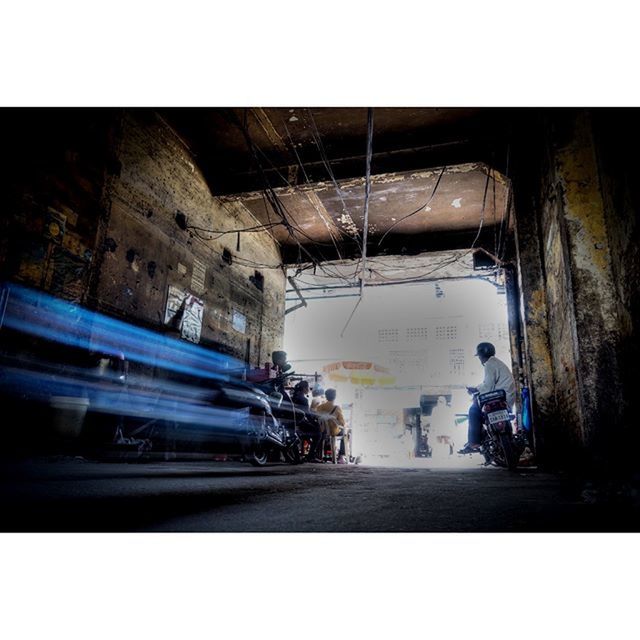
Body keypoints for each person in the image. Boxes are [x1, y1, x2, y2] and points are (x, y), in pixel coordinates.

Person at [458, 342, 516, 454]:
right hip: (506, 398)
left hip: (498, 397)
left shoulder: (489, 364)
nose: (479, 359)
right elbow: (489, 384)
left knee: (473, 410)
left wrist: (475, 390)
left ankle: (473, 442)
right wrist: (478, 388)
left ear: (481, 356)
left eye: (479, 356)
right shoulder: (497, 363)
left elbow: (488, 386)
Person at [315, 388, 351, 464]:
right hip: (334, 432)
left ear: (326, 396)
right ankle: (341, 457)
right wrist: (345, 424)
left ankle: (320, 456)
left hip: (323, 431)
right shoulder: (337, 408)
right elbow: (342, 423)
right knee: (346, 434)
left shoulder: (319, 407)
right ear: (335, 397)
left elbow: (317, 418)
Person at [292, 380, 323, 462]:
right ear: (304, 389)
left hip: (294, 422)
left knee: (316, 429)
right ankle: (311, 456)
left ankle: (310, 454)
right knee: (319, 433)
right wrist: (315, 418)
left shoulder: (294, 397)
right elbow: (308, 415)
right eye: (308, 387)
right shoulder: (303, 399)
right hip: (301, 424)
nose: (309, 389)